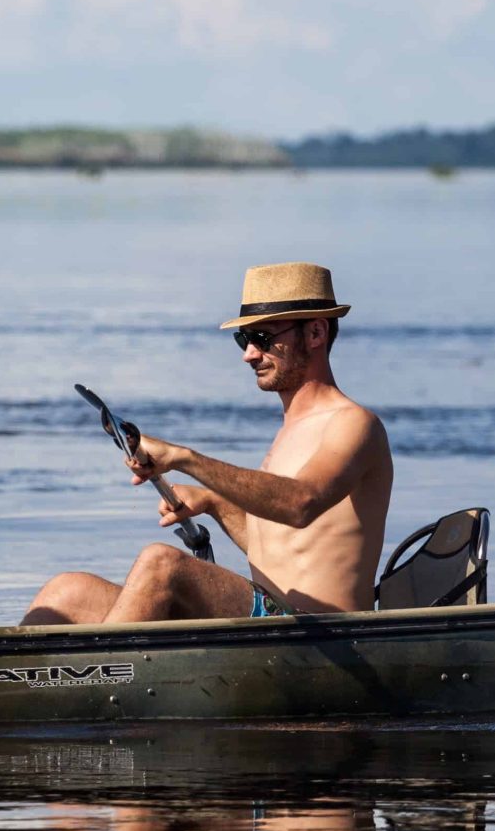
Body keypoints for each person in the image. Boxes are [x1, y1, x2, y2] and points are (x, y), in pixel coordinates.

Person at [23, 263, 391, 624]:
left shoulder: (353, 424)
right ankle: (2, 682)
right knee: (67, 590)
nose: (249, 354)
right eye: (243, 339)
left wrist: (185, 459)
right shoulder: (290, 431)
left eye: (262, 338)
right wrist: (214, 503)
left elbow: (300, 504)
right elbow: (284, 552)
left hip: (324, 636)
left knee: (162, 563)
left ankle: (101, 679)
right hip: (275, 623)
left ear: (315, 333)